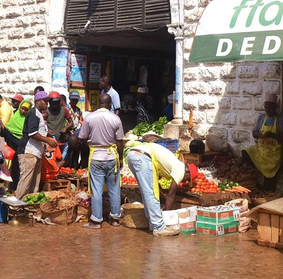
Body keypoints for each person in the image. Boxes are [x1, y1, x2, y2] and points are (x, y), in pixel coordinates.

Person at [126, 140, 199, 236]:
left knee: (147, 192)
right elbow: (171, 195)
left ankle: (153, 224)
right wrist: (167, 215)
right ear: (187, 172)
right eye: (187, 179)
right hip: (143, 157)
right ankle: (159, 227)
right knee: (151, 193)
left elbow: (157, 183)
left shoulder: (173, 164)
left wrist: (163, 198)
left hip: (133, 155)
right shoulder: (180, 169)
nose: (184, 181)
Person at [80, 93, 124, 229]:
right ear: (110, 105)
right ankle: (115, 218)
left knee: (97, 190)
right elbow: (120, 141)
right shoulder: (115, 119)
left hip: (96, 157)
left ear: (98, 104)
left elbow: (82, 137)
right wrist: (121, 158)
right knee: (114, 188)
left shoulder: (89, 118)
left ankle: (96, 220)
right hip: (111, 157)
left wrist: (91, 147)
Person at [16, 91, 58, 198]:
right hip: (28, 151)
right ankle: (18, 206)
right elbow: (32, 133)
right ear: (38, 101)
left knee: (34, 183)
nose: (47, 104)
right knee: (26, 181)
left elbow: (37, 129)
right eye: (45, 101)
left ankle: (30, 205)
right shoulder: (33, 113)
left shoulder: (39, 114)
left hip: (36, 152)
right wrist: (48, 140)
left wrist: (47, 133)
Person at [243, 94, 283, 188]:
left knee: (269, 183)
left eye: (270, 108)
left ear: (275, 108)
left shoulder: (282, 119)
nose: (268, 110)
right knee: (245, 153)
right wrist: (261, 135)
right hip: (262, 150)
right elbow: (254, 133)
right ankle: (255, 175)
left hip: (274, 152)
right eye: (266, 108)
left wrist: (272, 135)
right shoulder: (261, 118)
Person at [1, 98, 29, 190]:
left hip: (19, 150)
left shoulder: (27, 120)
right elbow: (6, 132)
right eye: (22, 108)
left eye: (26, 109)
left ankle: (15, 189)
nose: (23, 111)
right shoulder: (15, 117)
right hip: (9, 151)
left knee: (17, 170)